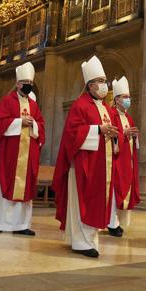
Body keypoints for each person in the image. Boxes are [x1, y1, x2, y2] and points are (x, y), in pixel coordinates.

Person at [52, 55, 120, 258]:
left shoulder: (107, 108)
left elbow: (111, 132)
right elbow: (72, 133)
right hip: (83, 164)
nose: (103, 85)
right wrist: (98, 130)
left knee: (96, 201)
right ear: (90, 85)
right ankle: (80, 241)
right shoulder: (79, 105)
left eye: (104, 81)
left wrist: (115, 138)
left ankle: (89, 239)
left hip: (102, 163)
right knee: (83, 200)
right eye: (99, 81)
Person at [0, 62, 45, 235]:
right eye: (25, 82)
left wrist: (34, 125)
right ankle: (0, 222)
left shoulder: (34, 105)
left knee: (25, 187)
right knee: (5, 183)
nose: (29, 85)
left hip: (27, 153)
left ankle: (21, 225)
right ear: (18, 84)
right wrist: (19, 122)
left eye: (31, 81)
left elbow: (41, 126)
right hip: (8, 153)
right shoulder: (7, 101)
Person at [107, 76, 140, 237]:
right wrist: (123, 134)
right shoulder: (111, 114)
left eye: (129, 97)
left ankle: (119, 222)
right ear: (117, 99)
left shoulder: (128, 117)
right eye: (125, 97)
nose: (128, 100)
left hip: (128, 160)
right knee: (114, 190)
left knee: (124, 190)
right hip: (116, 160)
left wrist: (134, 136)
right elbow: (111, 135)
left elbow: (132, 140)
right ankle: (112, 223)